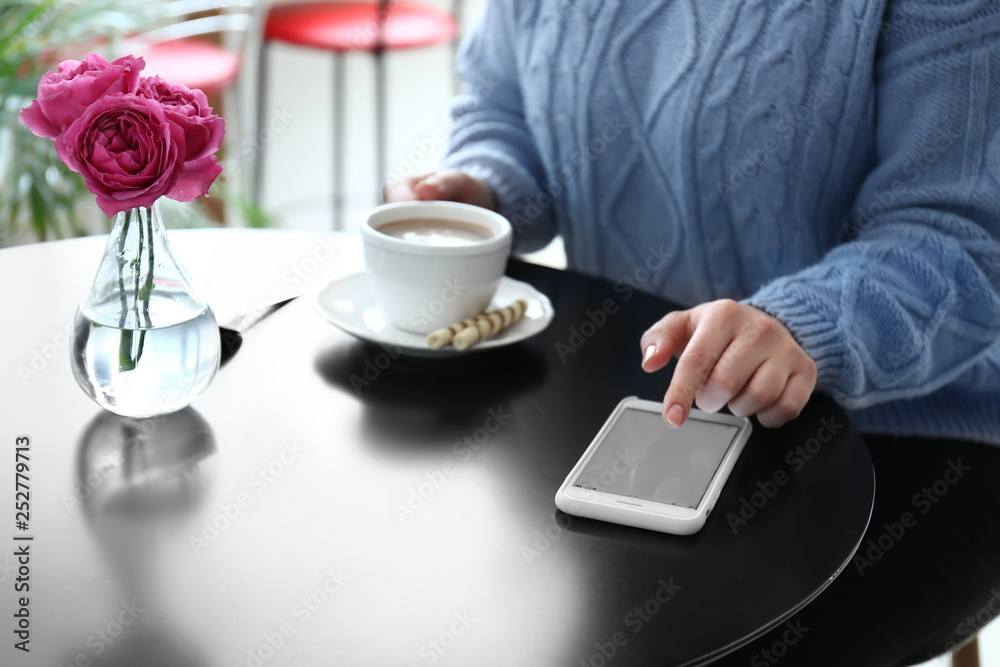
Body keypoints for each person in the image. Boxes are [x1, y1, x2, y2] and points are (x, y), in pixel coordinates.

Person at [384, 0, 1000, 446]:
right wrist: (485, 187)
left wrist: (798, 325)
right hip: (622, 401)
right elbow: (503, 102)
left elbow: (962, 239)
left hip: (886, 440)